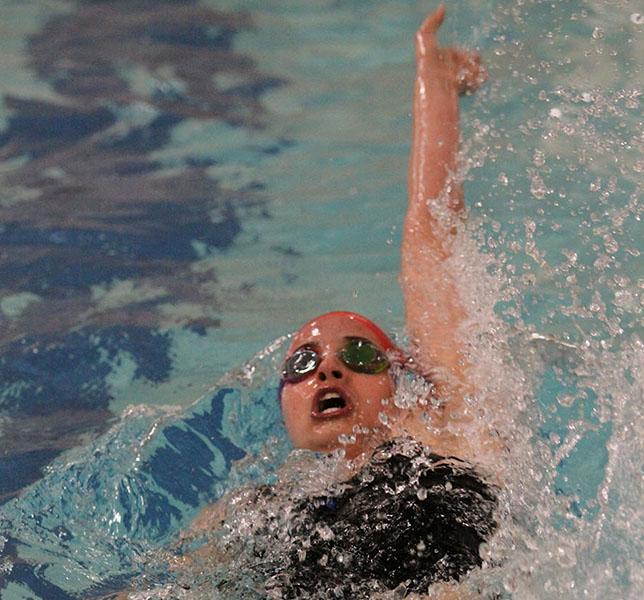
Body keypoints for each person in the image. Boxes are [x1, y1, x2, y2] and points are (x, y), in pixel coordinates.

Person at [181, 6, 502, 600]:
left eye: (358, 353)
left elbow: (430, 239)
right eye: (302, 363)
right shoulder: (253, 513)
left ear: (402, 377)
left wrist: (436, 85)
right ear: (284, 403)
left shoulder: (451, 432)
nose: (327, 368)